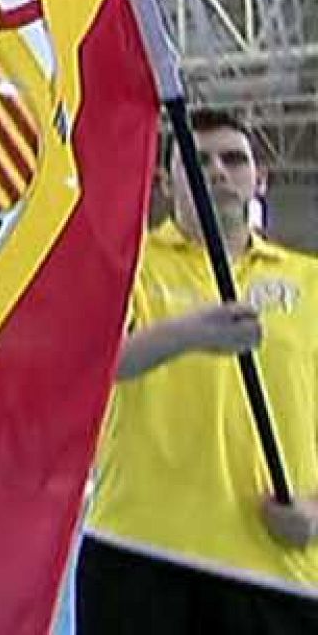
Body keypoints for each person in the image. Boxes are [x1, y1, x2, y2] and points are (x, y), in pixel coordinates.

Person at [78, 108, 318, 633]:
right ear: (166, 184)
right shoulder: (127, 265)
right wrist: (187, 335)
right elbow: (87, 368)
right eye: (198, 161)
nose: (217, 171)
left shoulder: (311, 282)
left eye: (233, 159)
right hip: (138, 551)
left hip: (276, 569)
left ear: (260, 178)